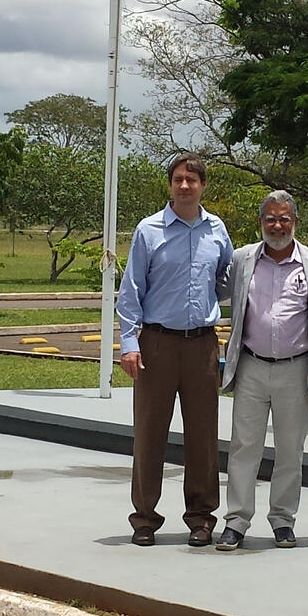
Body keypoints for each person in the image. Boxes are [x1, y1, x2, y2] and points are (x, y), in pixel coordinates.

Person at [215, 190, 308, 552]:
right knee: (243, 447)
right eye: (270, 218)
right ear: (261, 222)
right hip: (251, 366)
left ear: (296, 222)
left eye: (284, 218)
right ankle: (237, 521)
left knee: (290, 450)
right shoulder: (242, 260)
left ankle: (283, 520)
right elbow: (211, 289)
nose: (277, 225)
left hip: (296, 368)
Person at [117, 154, 233, 547]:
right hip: (157, 344)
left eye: (193, 180)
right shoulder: (148, 231)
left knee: (203, 437)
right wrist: (129, 344)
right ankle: (145, 518)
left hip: (201, 344)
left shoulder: (216, 230)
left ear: (203, 185)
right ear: (169, 184)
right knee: (149, 433)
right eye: (179, 179)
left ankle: (201, 517)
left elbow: (227, 279)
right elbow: (131, 292)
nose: (185, 186)